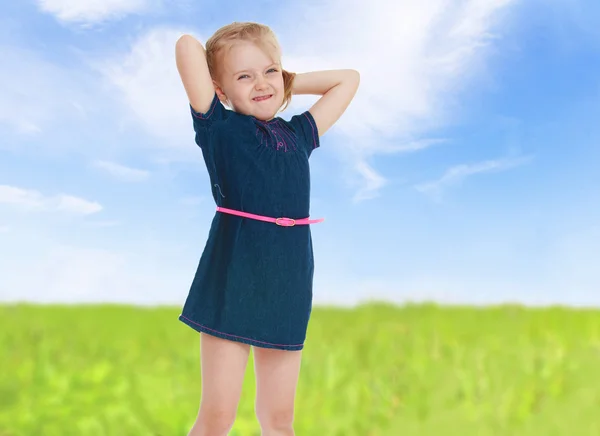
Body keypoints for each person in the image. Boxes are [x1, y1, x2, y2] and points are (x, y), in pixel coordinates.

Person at [175, 21, 359, 436]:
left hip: (288, 282)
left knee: (279, 420)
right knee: (217, 418)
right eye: (244, 76)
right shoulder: (217, 127)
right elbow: (187, 46)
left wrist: (286, 81)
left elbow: (348, 80)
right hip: (233, 277)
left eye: (269, 71)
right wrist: (226, 79)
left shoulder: (299, 134)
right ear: (219, 90)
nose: (261, 83)